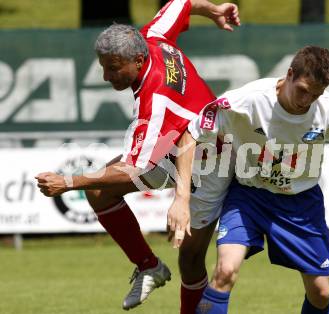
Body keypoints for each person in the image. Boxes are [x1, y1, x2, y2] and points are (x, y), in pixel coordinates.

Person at [35, 0, 240, 311]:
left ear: (138, 60)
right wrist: (212, 10)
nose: (106, 76)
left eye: (113, 68)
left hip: (211, 159)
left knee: (190, 257)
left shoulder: (154, 102)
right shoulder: (152, 36)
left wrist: (68, 182)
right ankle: (149, 266)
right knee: (100, 191)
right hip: (174, 145)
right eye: (103, 66)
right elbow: (181, 3)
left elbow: (133, 168)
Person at [178, 45, 329, 313]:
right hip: (248, 196)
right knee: (225, 271)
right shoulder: (248, 99)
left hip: (300, 205)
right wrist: (182, 198)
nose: (307, 100)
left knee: (321, 293)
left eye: (316, 94)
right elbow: (191, 133)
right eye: (303, 90)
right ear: (289, 74)